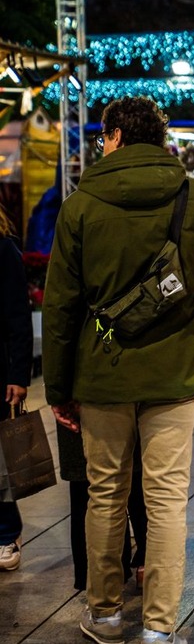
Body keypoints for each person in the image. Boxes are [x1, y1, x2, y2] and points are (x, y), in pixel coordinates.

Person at [43, 96, 194, 644]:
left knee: (107, 495)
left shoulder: (80, 206)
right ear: (161, 137)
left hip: (104, 371)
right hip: (177, 370)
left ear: (114, 136)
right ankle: (159, 626)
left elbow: (61, 305)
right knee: (168, 498)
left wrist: (58, 386)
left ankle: (104, 614)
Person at [0, 206, 31, 573]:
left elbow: (18, 317)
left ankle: (7, 532)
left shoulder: (3, 250)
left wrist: (19, 374)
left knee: (1, 462)